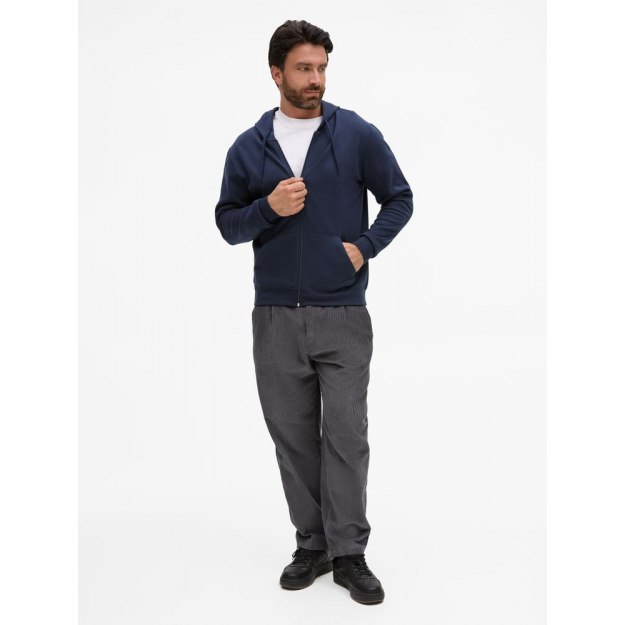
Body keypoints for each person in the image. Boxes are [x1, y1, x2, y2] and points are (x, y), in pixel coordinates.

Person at [215, 19, 413, 605]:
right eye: (304, 68)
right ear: (276, 73)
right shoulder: (249, 146)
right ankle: (313, 544)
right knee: (294, 437)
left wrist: (363, 247)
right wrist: (269, 208)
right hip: (275, 314)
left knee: (346, 434)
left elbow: (399, 197)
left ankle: (350, 553)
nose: (316, 79)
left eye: (322, 68)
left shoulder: (355, 134)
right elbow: (228, 223)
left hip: (342, 312)